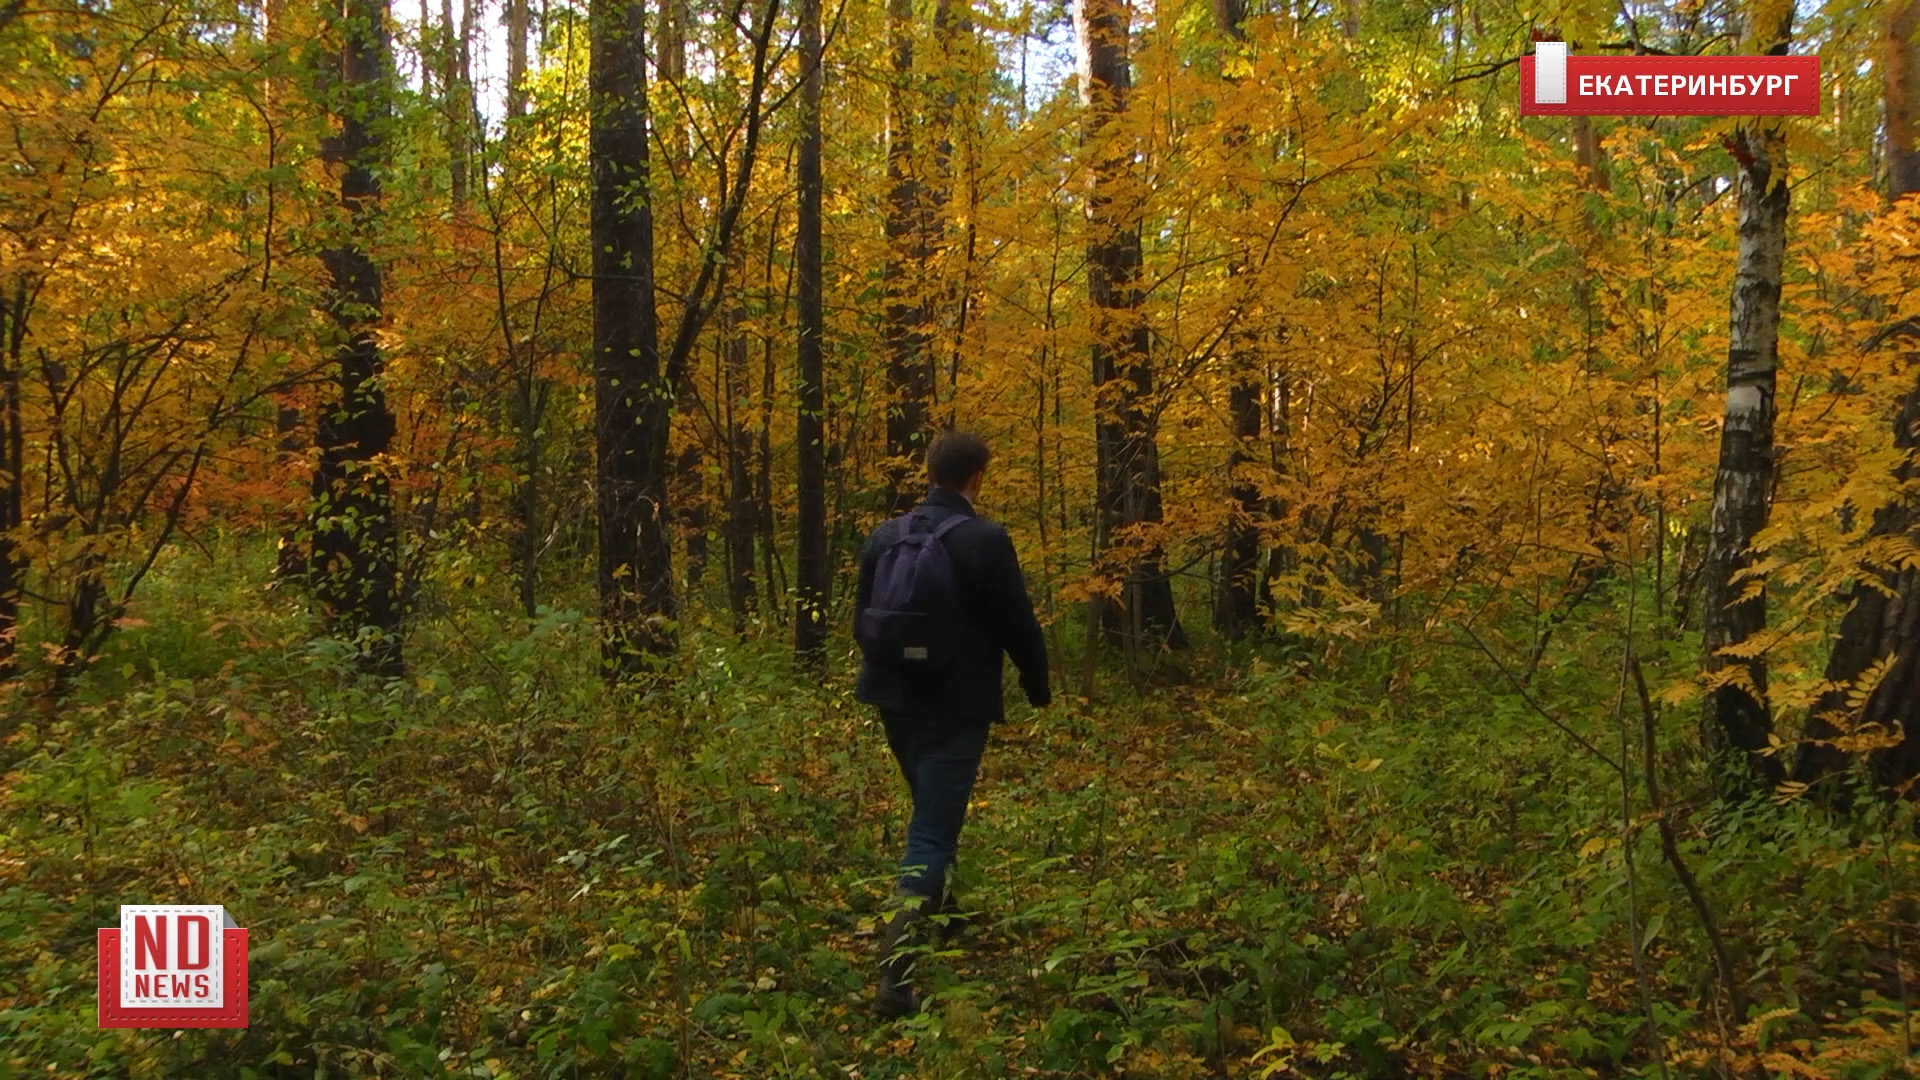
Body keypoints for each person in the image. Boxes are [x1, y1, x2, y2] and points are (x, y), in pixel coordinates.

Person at [853, 430, 1051, 1017]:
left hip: (893, 700)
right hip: (957, 706)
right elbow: (1017, 621)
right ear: (976, 478)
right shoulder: (986, 540)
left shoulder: (885, 536)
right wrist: (1036, 683)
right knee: (932, 833)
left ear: (929, 471)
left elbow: (863, 621)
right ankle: (897, 978)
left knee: (931, 811)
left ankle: (942, 913)